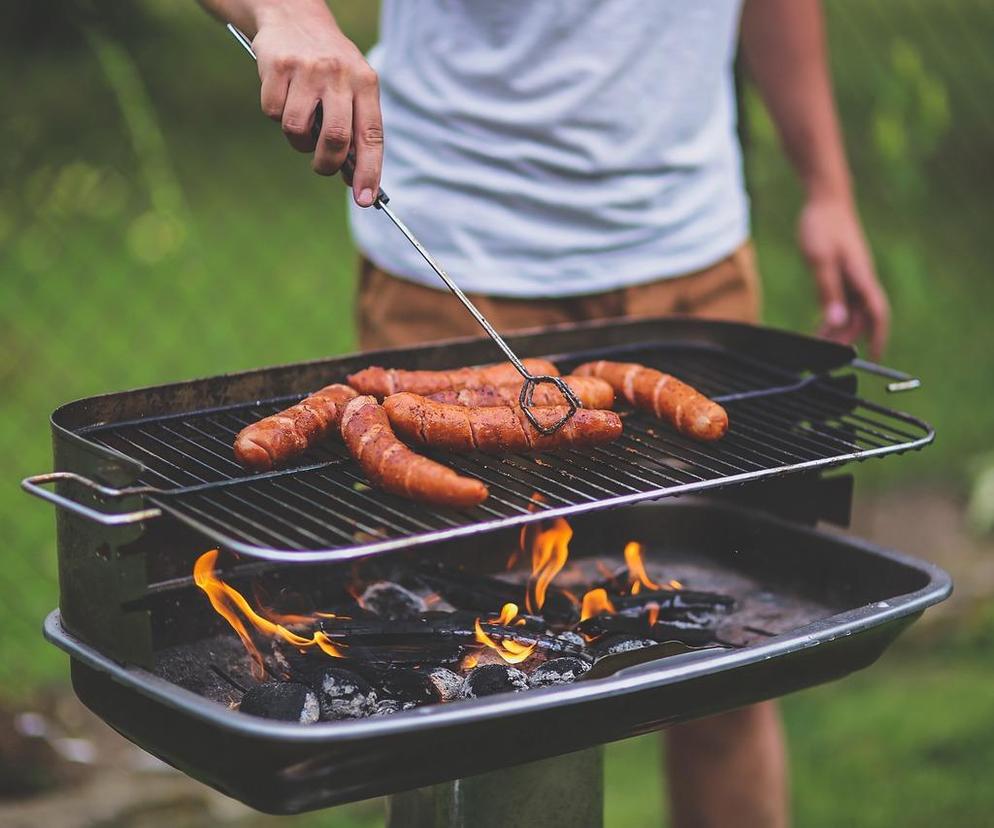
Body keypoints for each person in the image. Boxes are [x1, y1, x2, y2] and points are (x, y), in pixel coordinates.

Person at [201, 2, 890, 825]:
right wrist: (286, 14)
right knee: (450, 684)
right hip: (455, 255)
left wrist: (829, 187)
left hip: (690, 257)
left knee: (727, 667)